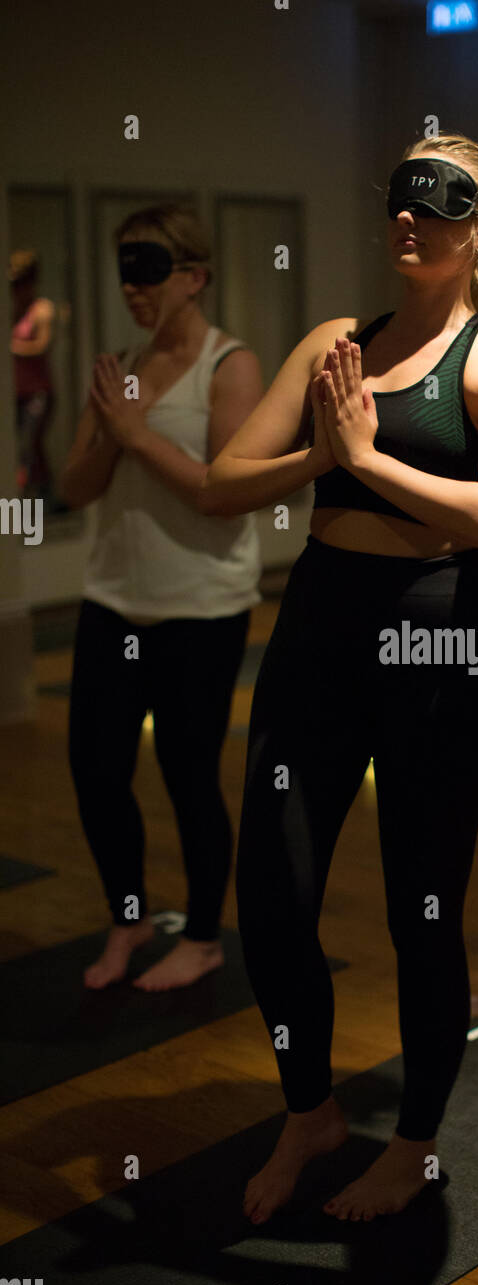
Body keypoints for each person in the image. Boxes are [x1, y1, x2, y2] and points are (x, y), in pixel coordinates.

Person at [203, 133, 478, 1223]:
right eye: (398, 200)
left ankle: (411, 1141)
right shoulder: (334, 344)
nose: (408, 218)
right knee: (269, 894)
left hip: (436, 634)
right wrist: (323, 454)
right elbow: (223, 483)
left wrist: (366, 462)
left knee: (422, 908)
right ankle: (308, 1108)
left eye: (437, 202)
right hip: (319, 626)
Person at [59, 204, 264, 990]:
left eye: (147, 269)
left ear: (193, 276)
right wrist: (112, 427)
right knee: (96, 770)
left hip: (201, 607)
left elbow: (223, 490)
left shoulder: (230, 365)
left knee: (188, 771)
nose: (132, 288)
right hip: (114, 597)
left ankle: (206, 936)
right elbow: (77, 486)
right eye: (124, 272)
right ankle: (129, 915)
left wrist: (140, 433)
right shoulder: (121, 366)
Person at [9, 250, 57, 502]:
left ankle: (41, 497)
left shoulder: (42, 309)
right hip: (16, 392)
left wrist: (11, 348)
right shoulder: (13, 309)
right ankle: (27, 498)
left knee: (30, 445)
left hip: (38, 391)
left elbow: (42, 346)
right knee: (20, 448)